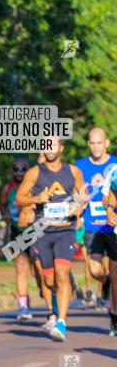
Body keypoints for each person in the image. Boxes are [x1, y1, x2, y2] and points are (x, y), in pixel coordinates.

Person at [15, 138, 87, 341]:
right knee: (48, 279)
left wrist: (79, 207)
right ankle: (59, 303)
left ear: (61, 148)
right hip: (43, 232)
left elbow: (84, 195)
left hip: (65, 230)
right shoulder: (35, 172)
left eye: (53, 145)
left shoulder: (72, 171)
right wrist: (36, 199)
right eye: (45, 145)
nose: (49, 149)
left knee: (62, 274)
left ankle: (61, 322)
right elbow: (19, 198)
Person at [76, 128, 117, 323]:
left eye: (99, 143)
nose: (96, 147)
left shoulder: (115, 164)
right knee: (94, 269)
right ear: (88, 145)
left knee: (116, 272)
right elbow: (77, 194)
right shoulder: (80, 166)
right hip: (92, 225)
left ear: (106, 143)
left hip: (113, 225)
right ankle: (105, 281)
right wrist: (78, 212)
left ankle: (114, 314)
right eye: (92, 143)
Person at [0, 157, 36, 320]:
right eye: (16, 169)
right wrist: (5, 214)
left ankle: (45, 292)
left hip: (35, 231)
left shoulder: (34, 187)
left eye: (23, 169)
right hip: (16, 230)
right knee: (20, 267)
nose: (19, 172)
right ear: (12, 171)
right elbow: (2, 205)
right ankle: (23, 306)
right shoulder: (8, 189)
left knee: (38, 271)